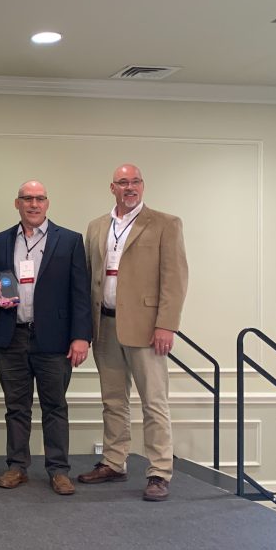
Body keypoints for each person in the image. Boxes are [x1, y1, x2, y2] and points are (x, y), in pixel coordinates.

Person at [79, 163, 188, 501]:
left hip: (147, 328)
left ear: (143, 185)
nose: (130, 187)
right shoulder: (97, 226)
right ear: (112, 188)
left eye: (135, 181)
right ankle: (114, 462)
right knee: (113, 400)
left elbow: (175, 278)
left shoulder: (165, 224)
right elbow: (89, 276)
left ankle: (159, 472)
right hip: (104, 325)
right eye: (123, 182)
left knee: (154, 402)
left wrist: (166, 324)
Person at [0, 180, 92, 496]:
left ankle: (58, 470)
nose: (33, 204)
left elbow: (81, 293)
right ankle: (17, 466)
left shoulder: (70, 240)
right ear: (17, 203)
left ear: (47, 203)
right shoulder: (1, 240)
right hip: (12, 336)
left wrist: (81, 337)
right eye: (27, 198)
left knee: (55, 406)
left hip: (54, 340)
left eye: (39, 199)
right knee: (16, 407)